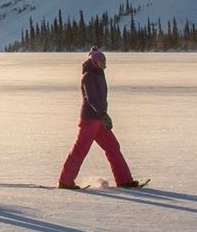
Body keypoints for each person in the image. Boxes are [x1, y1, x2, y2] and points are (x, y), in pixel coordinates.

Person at [57, 46, 145, 189]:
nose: (104, 63)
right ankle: (65, 181)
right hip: (90, 120)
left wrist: (103, 114)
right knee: (80, 150)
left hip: (99, 119)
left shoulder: (99, 74)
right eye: (101, 60)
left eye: (104, 60)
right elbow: (91, 98)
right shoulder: (88, 76)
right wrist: (103, 113)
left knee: (113, 147)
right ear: (94, 62)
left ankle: (124, 180)